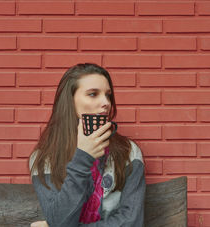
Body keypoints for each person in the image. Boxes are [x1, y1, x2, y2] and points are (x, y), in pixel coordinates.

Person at [29, 63, 145, 227]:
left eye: (108, 95)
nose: (106, 102)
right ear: (70, 102)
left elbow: (131, 222)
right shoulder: (45, 158)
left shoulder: (129, 152)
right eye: (93, 94)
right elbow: (60, 220)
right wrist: (83, 157)